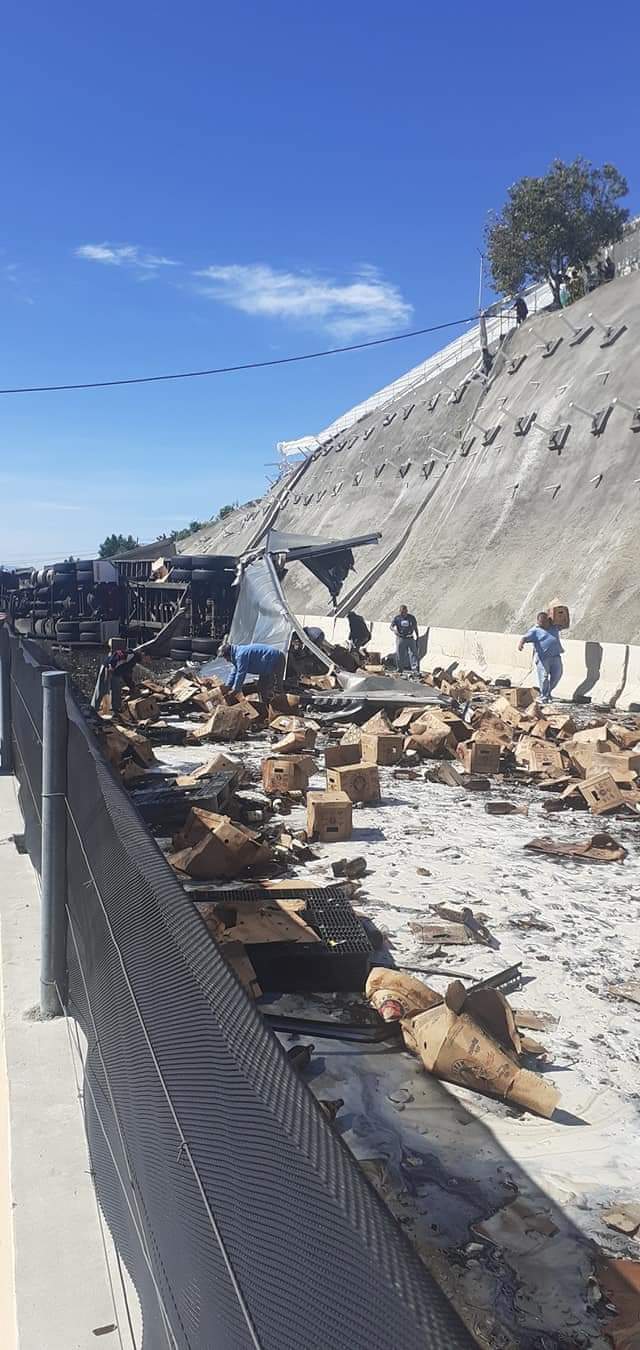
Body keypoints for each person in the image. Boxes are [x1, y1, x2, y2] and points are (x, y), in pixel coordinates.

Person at [518, 612, 564, 704]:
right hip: (543, 658)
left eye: (543, 622)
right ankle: (544, 697)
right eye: (540, 622)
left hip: (556, 656)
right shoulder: (535, 630)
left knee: (557, 676)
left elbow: (564, 624)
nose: (541, 624)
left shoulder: (554, 627)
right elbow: (525, 637)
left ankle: (547, 692)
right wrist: (521, 644)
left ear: (548, 621)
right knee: (544, 677)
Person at [220, 641, 286, 701]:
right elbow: (234, 672)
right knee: (262, 687)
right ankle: (266, 707)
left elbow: (241, 673)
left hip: (276, 660)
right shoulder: (236, 655)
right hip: (265, 666)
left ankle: (283, 708)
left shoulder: (241, 655)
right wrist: (228, 686)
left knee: (276, 688)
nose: (227, 660)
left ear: (229, 654)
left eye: (225, 658)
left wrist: (236, 690)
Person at [390, 604, 420, 674]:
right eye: (401, 612)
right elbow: (391, 626)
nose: (403, 613)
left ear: (407, 611)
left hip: (410, 637)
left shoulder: (411, 617)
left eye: (404, 612)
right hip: (400, 638)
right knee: (400, 654)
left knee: (413, 654)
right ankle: (400, 669)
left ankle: (415, 669)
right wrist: (394, 630)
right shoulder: (397, 618)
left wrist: (417, 636)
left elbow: (415, 626)